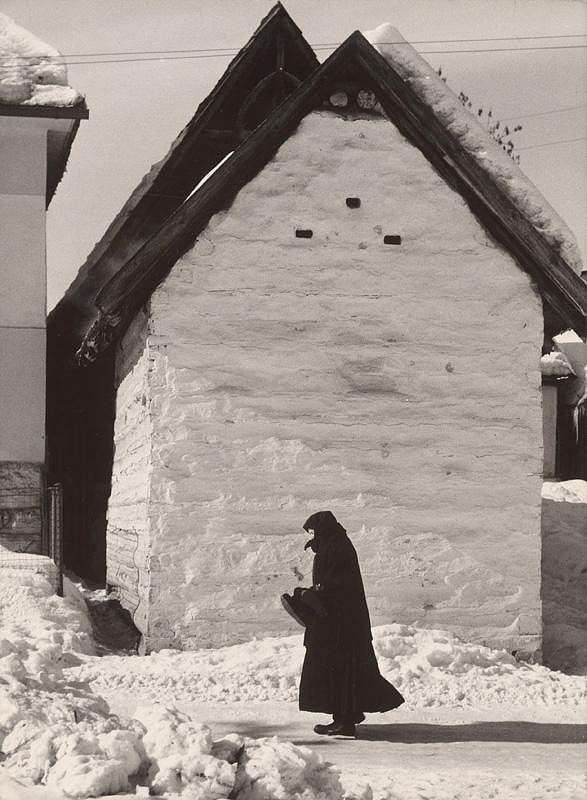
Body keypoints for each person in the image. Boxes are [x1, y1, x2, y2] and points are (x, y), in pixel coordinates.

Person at [297, 510, 404, 737]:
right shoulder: (333, 545)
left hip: (343, 626)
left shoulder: (337, 548)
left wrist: (316, 594)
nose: (313, 536)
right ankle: (344, 717)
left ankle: (345, 722)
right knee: (340, 672)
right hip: (338, 623)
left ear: (323, 529)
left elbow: (339, 586)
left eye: (314, 531)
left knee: (344, 673)